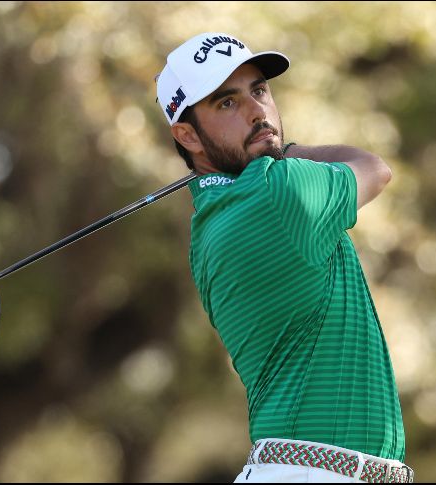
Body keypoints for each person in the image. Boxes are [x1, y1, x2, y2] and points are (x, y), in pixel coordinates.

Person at [155, 32, 413, 483]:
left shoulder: (206, 232)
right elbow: (374, 167)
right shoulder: (281, 190)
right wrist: (286, 148)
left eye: (259, 91)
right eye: (227, 104)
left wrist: (266, 149)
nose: (258, 111)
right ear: (187, 135)